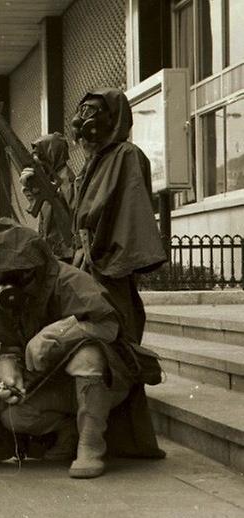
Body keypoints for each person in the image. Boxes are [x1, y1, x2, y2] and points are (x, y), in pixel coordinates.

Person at [0, 220, 164, 478]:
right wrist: (10, 375)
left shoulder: (70, 281)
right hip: (53, 384)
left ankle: (91, 446)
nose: (6, 286)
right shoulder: (8, 294)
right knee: (13, 417)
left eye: (14, 276)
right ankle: (69, 432)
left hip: (107, 380)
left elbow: (108, 327)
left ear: (34, 269)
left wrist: (58, 333)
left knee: (87, 355)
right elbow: (8, 347)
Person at [70, 88, 166, 343]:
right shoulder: (96, 161)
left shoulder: (126, 155)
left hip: (107, 263)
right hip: (89, 262)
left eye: (91, 115)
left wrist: (105, 258)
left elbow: (129, 211)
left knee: (116, 328)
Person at [19, 132, 75, 261]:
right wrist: (28, 185)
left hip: (64, 251)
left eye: (40, 154)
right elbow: (39, 205)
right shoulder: (51, 177)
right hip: (52, 248)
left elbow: (72, 208)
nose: (37, 159)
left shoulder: (65, 178)